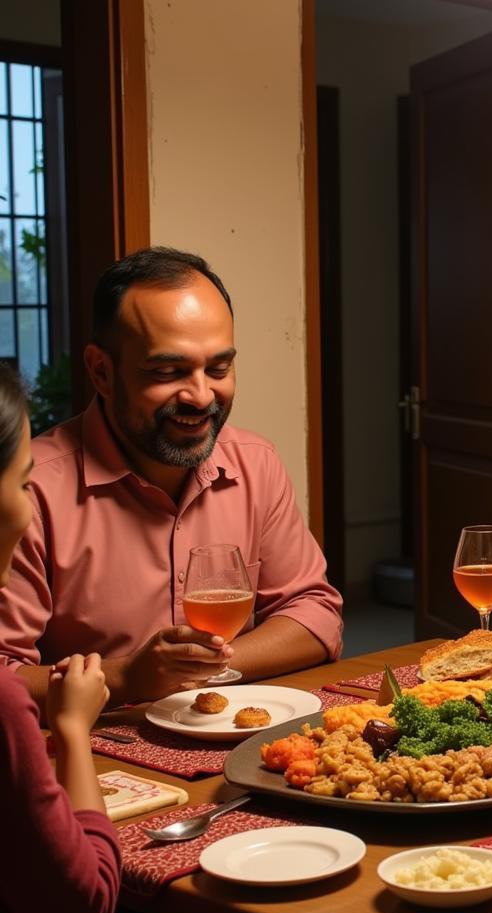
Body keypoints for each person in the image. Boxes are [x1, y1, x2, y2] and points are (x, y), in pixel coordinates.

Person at [0, 247, 343, 711]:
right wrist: (124, 678)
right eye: (168, 371)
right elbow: (4, 676)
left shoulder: (256, 463)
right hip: (100, 756)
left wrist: (196, 671)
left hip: (236, 736)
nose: (201, 396)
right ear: (101, 371)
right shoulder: (31, 490)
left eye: (218, 369)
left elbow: (316, 615)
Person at [0, 364, 121, 913]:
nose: (28, 505)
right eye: (21, 482)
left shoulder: (254, 460)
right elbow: (83, 911)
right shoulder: (3, 701)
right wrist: (71, 730)